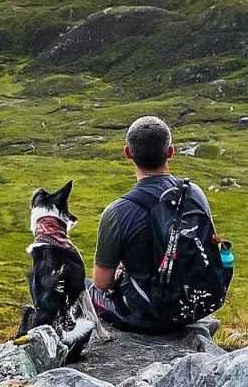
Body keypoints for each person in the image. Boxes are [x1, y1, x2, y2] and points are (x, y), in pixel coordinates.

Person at [89, 115, 229, 332]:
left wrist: (121, 271)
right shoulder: (193, 193)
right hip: (193, 307)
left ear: (128, 153)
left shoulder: (117, 211)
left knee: (86, 287)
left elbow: (102, 282)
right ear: (170, 152)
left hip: (148, 316)